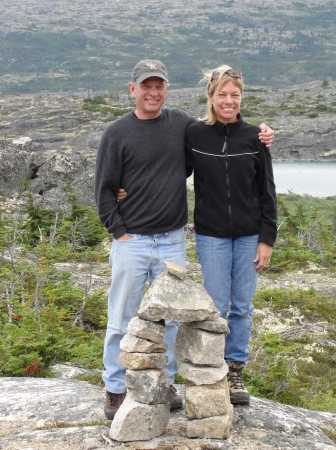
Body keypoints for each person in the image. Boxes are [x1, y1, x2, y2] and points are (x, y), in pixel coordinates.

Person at [95, 59, 274, 419]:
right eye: (146, 86)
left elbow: (232, 165)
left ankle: (169, 383)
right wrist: (119, 230)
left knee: (176, 318)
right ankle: (115, 388)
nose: (152, 92)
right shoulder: (121, 132)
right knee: (122, 316)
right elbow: (104, 188)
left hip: (174, 239)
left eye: (159, 85)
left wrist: (265, 133)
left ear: (166, 89)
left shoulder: (183, 125)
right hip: (136, 241)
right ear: (133, 89)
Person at [185, 65, 277, 405]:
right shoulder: (195, 134)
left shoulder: (255, 137)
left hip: (250, 235)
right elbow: (171, 170)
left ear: (241, 98)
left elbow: (267, 191)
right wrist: (126, 188)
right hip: (211, 236)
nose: (228, 100)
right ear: (210, 96)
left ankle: (235, 369)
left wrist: (267, 239)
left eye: (234, 95)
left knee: (242, 306)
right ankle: (213, 365)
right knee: (214, 306)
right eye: (222, 94)